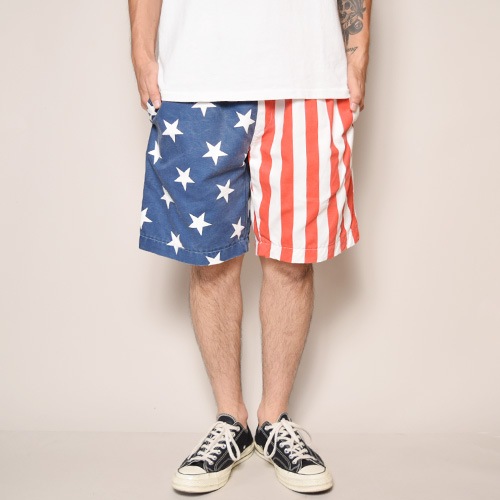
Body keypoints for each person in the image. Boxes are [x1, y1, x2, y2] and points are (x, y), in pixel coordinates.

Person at [128, 0, 371, 493]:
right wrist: (141, 47)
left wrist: (358, 53)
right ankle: (230, 421)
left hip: (307, 75)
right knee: (210, 261)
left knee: (293, 259)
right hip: (195, 76)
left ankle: (274, 420)